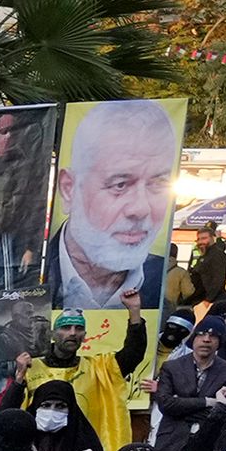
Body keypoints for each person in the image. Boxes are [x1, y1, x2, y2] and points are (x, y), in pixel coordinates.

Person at [51, 101, 181, 312]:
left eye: (157, 184)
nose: (140, 209)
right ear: (69, 189)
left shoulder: (160, 286)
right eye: (120, 185)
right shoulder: (30, 273)